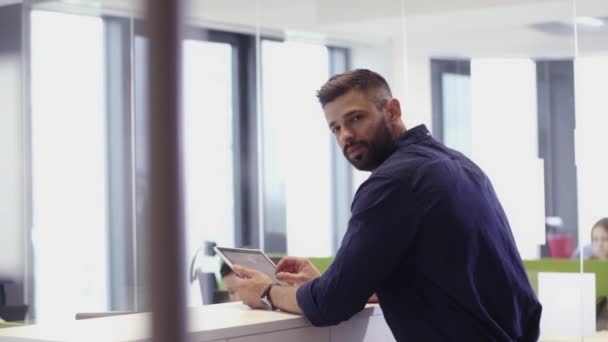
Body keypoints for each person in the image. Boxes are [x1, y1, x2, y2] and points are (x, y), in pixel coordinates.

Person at [231, 69, 542, 341]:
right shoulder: (457, 164)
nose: (346, 136)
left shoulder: (394, 182)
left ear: (392, 110)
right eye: (336, 128)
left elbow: (330, 305)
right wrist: (330, 280)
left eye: (356, 118)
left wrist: (265, 292)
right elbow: (445, 281)